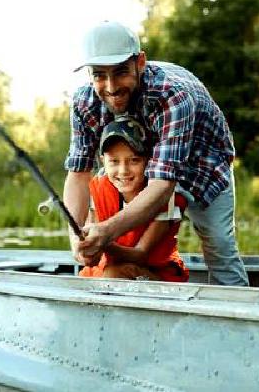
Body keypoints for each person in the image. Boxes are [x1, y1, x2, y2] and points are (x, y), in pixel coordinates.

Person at [63, 20, 249, 286]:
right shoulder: (84, 102)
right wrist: (77, 236)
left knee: (219, 245)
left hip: (204, 166)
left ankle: (237, 322)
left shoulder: (173, 96)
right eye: (100, 75)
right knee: (109, 236)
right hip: (141, 164)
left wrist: (105, 233)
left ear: (140, 62)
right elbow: (79, 174)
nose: (111, 87)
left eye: (120, 72)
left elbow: (163, 184)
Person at [75, 115, 189, 282]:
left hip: (156, 272)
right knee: (91, 277)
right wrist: (89, 250)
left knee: (112, 274)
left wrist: (103, 242)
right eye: (114, 161)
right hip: (109, 268)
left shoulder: (165, 195)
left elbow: (140, 254)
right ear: (103, 162)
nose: (123, 171)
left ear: (148, 161)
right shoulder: (98, 189)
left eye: (134, 160)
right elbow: (95, 242)